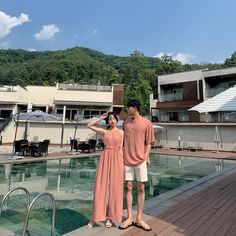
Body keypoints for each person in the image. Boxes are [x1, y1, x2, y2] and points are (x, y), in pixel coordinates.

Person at [119, 99, 155, 231]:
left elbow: (149, 142)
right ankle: (129, 217)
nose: (127, 109)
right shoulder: (125, 123)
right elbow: (122, 142)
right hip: (127, 160)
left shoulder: (147, 123)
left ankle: (139, 218)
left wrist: (146, 156)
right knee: (128, 187)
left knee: (141, 188)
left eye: (128, 107)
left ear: (134, 107)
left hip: (140, 161)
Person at [86, 112, 124, 229]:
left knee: (115, 187)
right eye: (110, 119)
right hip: (106, 157)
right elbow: (89, 125)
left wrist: (123, 165)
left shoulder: (122, 132)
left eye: (114, 119)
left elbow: (122, 148)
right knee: (100, 186)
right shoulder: (105, 131)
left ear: (117, 120)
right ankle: (94, 218)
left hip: (117, 158)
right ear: (108, 121)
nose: (112, 120)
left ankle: (111, 218)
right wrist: (101, 118)